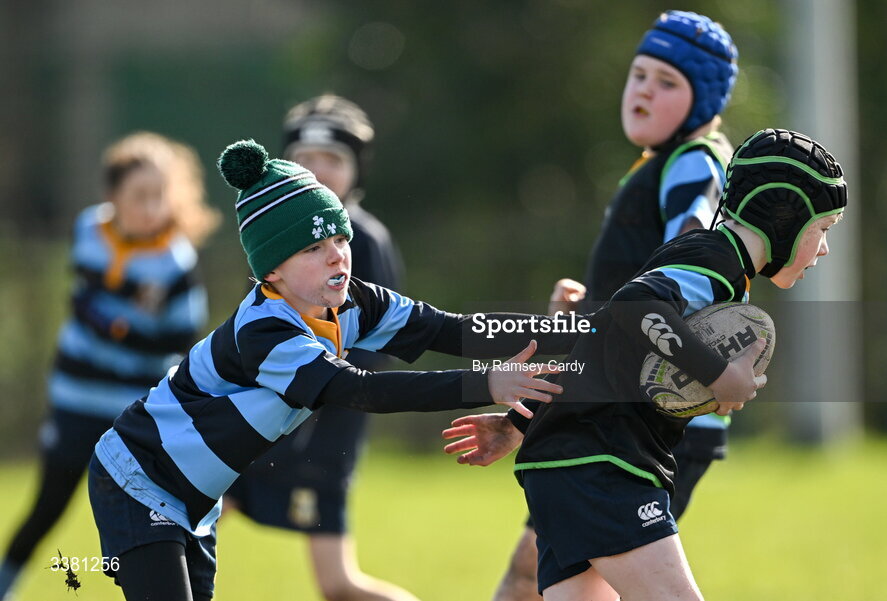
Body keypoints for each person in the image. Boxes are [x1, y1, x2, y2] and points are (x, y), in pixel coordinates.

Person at [87, 139, 579, 601]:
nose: (337, 254)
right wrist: (484, 384)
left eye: (339, 237)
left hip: (193, 498)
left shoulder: (353, 302)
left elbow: (449, 330)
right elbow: (359, 390)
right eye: (313, 248)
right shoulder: (265, 332)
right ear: (272, 271)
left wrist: (562, 333)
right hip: (139, 478)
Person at [444, 128, 849, 599]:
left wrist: (517, 423)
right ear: (785, 217)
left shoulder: (701, 263)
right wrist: (719, 376)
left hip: (566, 462)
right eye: (822, 230)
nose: (822, 249)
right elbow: (636, 308)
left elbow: (606, 346)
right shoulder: (715, 263)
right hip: (606, 463)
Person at [491, 10, 740, 600]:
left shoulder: (693, 164)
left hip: (641, 417)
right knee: (544, 574)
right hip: (617, 410)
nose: (645, 90)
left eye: (668, 82)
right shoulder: (659, 166)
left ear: (702, 99)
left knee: (578, 579)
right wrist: (580, 316)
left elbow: (685, 260)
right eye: (639, 74)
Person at [0, 132, 218, 601]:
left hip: (133, 414)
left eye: (160, 195)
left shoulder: (177, 263)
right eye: (139, 195)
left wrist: (117, 322)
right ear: (112, 196)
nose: (151, 206)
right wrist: (124, 321)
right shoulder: (89, 230)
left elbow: (179, 342)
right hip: (76, 397)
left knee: (149, 515)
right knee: (49, 505)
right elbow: (81, 301)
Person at [223, 95, 415, 601]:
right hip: (264, 426)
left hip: (319, 439)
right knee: (184, 517)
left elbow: (377, 349)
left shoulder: (364, 242)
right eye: (306, 159)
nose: (318, 171)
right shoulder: (277, 238)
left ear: (356, 171)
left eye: (333, 160)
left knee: (339, 585)